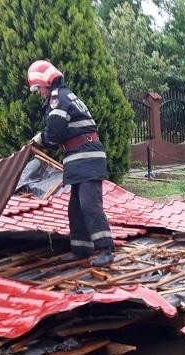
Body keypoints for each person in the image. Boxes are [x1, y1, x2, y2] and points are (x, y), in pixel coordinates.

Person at [27, 60, 114, 268]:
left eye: (38, 88)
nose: (38, 93)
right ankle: (81, 249)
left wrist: (41, 138)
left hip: (86, 156)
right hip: (79, 157)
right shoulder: (67, 96)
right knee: (75, 207)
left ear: (46, 83)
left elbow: (55, 132)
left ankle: (105, 249)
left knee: (89, 204)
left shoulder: (58, 99)